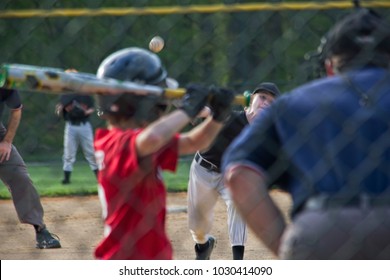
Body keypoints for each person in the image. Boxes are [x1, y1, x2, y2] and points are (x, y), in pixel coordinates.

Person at [222, 8, 390, 260]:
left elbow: (238, 175)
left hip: (320, 232)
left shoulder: (292, 102)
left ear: (330, 66)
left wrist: (287, 248)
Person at [92, 47, 235, 260]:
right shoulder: (113, 143)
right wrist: (187, 110)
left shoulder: (141, 143)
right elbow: (152, 138)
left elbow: (195, 141)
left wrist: (217, 118)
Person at [187, 82, 280, 260]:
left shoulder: (266, 134)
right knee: (197, 225)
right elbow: (207, 112)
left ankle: (238, 262)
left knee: (239, 204)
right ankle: (204, 245)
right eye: (262, 97)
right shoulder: (231, 117)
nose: (266, 102)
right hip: (203, 170)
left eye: (271, 101)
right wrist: (195, 108)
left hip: (230, 175)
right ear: (250, 101)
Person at [0, 87, 61, 249]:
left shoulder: (4, 80)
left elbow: (16, 110)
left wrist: (6, 142)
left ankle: (40, 230)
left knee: (20, 176)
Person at [55, 72, 98, 184]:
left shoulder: (85, 94)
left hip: (84, 125)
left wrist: (88, 111)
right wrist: (60, 110)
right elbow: (59, 111)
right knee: (68, 153)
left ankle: (99, 178)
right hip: (70, 126)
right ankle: (66, 179)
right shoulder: (65, 94)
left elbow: (95, 108)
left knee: (90, 152)